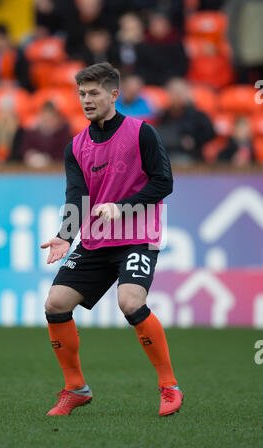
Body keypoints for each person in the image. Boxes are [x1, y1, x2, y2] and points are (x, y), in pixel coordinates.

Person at [41, 62, 183, 417]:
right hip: (94, 239)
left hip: (136, 237)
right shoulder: (76, 146)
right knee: (55, 303)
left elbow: (163, 182)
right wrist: (64, 236)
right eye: (82, 94)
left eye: (94, 93)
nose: (86, 100)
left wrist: (123, 208)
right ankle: (76, 388)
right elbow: (77, 197)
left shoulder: (142, 133)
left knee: (130, 301)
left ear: (114, 95)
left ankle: (169, 386)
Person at [156, 78, 215, 163]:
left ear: (187, 94)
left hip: (192, 157)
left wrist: (194, 140)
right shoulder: (162, 115)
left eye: (179, 93)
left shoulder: (198, 116)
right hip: (166, 155)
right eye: (173, 93)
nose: (176, 97)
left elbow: (210, 133)